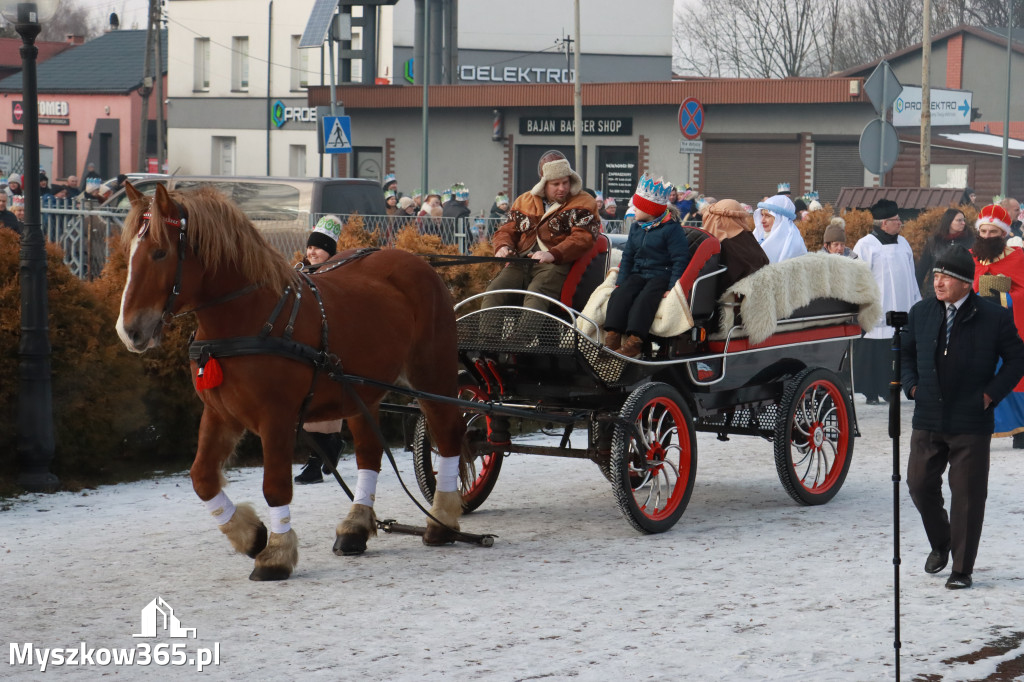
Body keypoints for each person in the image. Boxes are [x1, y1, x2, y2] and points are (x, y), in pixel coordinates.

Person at [902, 245, 1024, 590]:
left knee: (968, 495)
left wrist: (990, 395)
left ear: (966, 284)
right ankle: (942, 542)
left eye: (946, 278)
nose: (938, 283)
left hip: (971, 418)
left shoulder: (993, 317)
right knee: (919, 484)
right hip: (928, 415)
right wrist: (912, 388)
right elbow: (906, 354)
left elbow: (1017, 360)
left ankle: (961, 569)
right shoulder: (921, 312)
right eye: (936, 276)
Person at [482, 158, 600, 312]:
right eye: (555, 184)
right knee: (494, 292)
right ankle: (487, 336)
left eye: (565, 182)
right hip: (521, 263)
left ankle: (523, 337)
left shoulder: (585, 202)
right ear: (544, 184)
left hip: (556, 264)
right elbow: (506, 230)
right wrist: (502, 246)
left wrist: (553, 254)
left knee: (536, 295)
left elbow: (583, 237)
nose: (562, 188)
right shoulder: (524, 200)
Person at [603, 174, 691, 358]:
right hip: (639, 272)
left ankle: (635, 341)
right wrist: (622, 281)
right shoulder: (637, 227)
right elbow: (628, 256)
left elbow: (680, 259)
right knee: (620, 294)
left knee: (645, 300)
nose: (633, 209)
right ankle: (612, 336)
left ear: (650, 209)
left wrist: (672, 287)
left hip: (661, 275)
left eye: (637, 206)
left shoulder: (671, 229)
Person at [294, 215, 347, 484]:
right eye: (310, 247)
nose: (312, 252)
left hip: (331, 350)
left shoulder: (336, 275)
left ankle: (317, 462)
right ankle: (330, 447)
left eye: (319, 248)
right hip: (306, 348)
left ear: (330, 251)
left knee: (320, 408)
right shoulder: (302, 273)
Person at [853, 198, 921, 405]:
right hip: (878, 309)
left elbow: (911, 274)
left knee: (897, 349)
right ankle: (872, 391)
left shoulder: (904, 243)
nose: (900, 223)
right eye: (897, 220)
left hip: (902, 306)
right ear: (884, 223)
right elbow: (858, 277)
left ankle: (892, 388)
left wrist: (916, 302)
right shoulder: (865, 245)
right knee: (876, 352)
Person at [970, 203, 1024, 448]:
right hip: (978, 329)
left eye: (993, 232)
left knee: (1014, 377)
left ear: (1004, 233)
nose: (987, 236)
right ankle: (979, 426)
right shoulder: (969, 257)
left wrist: (1001, 292)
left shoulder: (1019, 258)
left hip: (1011, 329)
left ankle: (1021, 430)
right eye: (984, 232)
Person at [701, 199, 769, 296]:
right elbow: (763, 263)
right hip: (738, 298)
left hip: (706, 297)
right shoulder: (742, 240)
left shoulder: (704, 240)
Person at [917, 208, 975, 298]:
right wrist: (916, 292)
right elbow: (921, 270)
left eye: (964, 220)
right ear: (949, 222)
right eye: (959, 220)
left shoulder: (971, 242)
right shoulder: (934, 242)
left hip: (961, 293)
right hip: (935, 293)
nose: (963, 223)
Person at [753, 194, 807, 262]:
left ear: (780, 219)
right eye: (762, 215)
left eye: (767, 216)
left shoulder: (791, 243)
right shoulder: (760, 237)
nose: (762, 220)